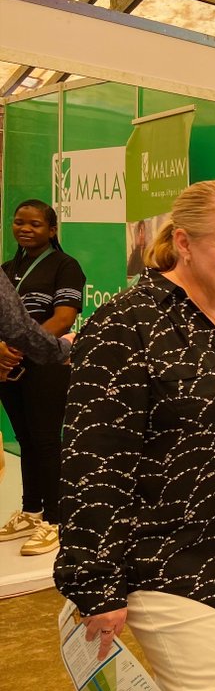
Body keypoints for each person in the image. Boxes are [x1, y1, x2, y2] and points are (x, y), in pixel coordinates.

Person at [55, 180, 215, 691]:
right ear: (183, 242)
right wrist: (96, 583)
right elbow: (95, 461)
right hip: (158, 554)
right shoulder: (127, 324)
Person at [0, 199, 85, 557]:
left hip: (46, 366)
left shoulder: (65, 266)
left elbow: (63, 318)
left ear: (51, 230)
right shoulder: (5, 268)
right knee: (25, 440)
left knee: (47, 441)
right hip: (5, 366)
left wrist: (20, 349)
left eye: (35, 224)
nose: (25, 229)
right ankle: (31, 510)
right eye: (19, 223)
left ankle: (55, 519)